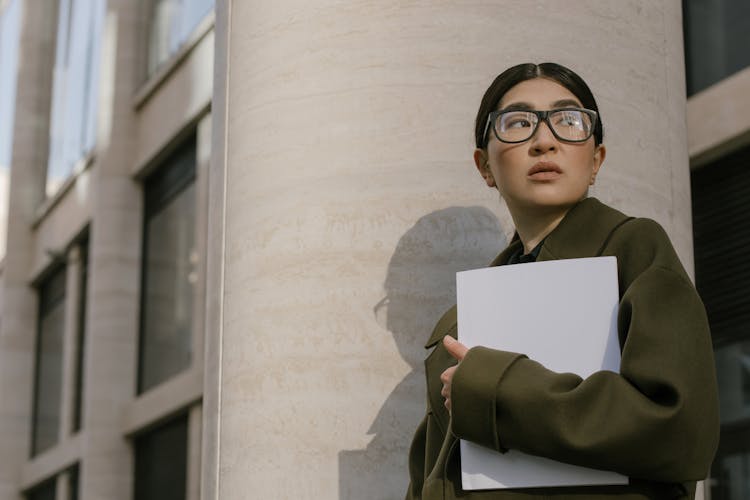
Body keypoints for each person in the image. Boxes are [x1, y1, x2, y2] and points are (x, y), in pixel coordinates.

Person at [405, 62, 720, 500]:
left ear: (596, 159)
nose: (544, 141)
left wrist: (494, 389)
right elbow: (433, 475)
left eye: (568, 121)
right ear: (485, 166)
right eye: (517, 123)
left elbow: (681, 428)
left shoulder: (635, 250)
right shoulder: (462, 320)